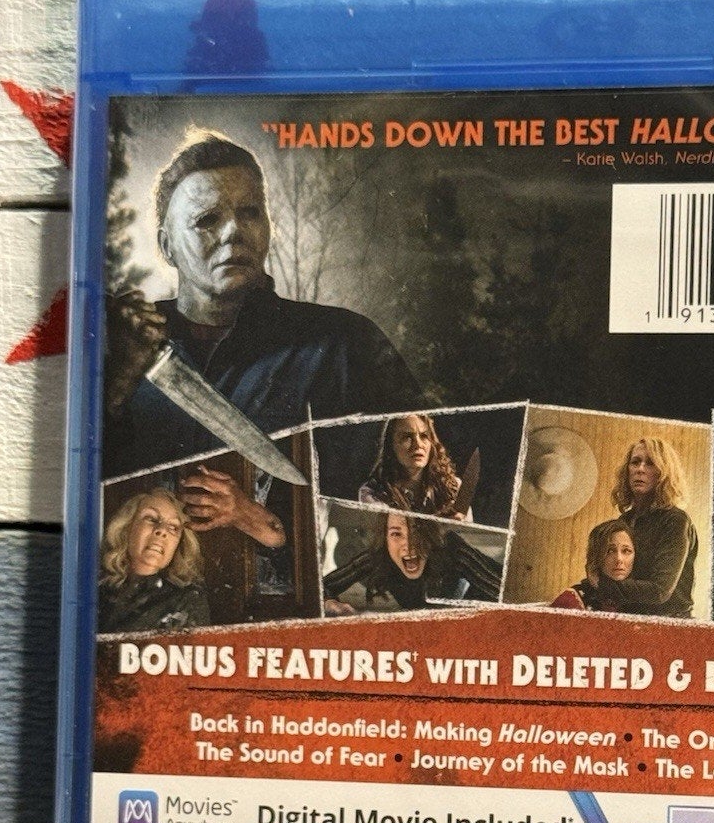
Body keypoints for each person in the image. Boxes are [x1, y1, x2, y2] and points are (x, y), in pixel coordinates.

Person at [102, 134, 426, 543]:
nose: (234, 231)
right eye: (207, 220)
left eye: (250, 213)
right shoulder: (123, 345)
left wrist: (260, 520)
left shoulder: (344, 345)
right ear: (167, 246)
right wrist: (117, 383)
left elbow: (416, 484)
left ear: (268, 228)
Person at [592, 438, 699, 618]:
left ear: (664, 473)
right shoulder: (624, 520)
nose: (640, 469)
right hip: (630, 618)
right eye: (635, 462)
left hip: (669, 623)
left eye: (650, 463)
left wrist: (602, 584)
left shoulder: (675, 520)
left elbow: (659, 591)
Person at [323, 511, 501, 613]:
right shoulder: (380, 555)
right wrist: (329, 602)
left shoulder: (454, 552)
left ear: (430, 535)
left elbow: (506, 594)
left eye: (416, 532)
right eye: (396, 534)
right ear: (386, 538)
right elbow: (322, 586)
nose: (407, 545)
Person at [98, 490, 211, 633]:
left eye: (173, 527)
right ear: (126, 528)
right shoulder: (96, 588)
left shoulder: (187, 599)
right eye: (151, 519)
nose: (162, 530)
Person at [358, 413, 472, 520]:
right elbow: (389, 531)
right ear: (391, 446)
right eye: (407, 437)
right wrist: (441, 524)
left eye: (424, 436)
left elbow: (468, 530)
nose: (418, 444)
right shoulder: (373, 493)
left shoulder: (453, 487)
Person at [552, 519, 636, 611]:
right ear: (595, 555)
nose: (619, 559)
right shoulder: (572, 599)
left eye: (626, 551)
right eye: (610, 551)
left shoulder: (640, 602)